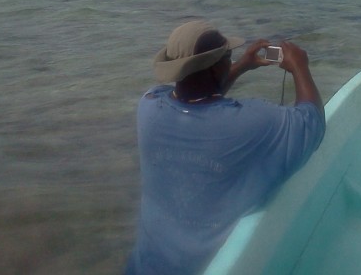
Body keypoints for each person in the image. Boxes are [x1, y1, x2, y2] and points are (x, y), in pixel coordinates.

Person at [125, 20, 325, 275]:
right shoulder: (252, 121)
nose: (231, 62)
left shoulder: (149, 106)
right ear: (217, 67)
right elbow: (312, 124)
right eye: (228, 57)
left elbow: (197, 93)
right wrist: (300, 67)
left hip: (143, 267)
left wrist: (241, 65)